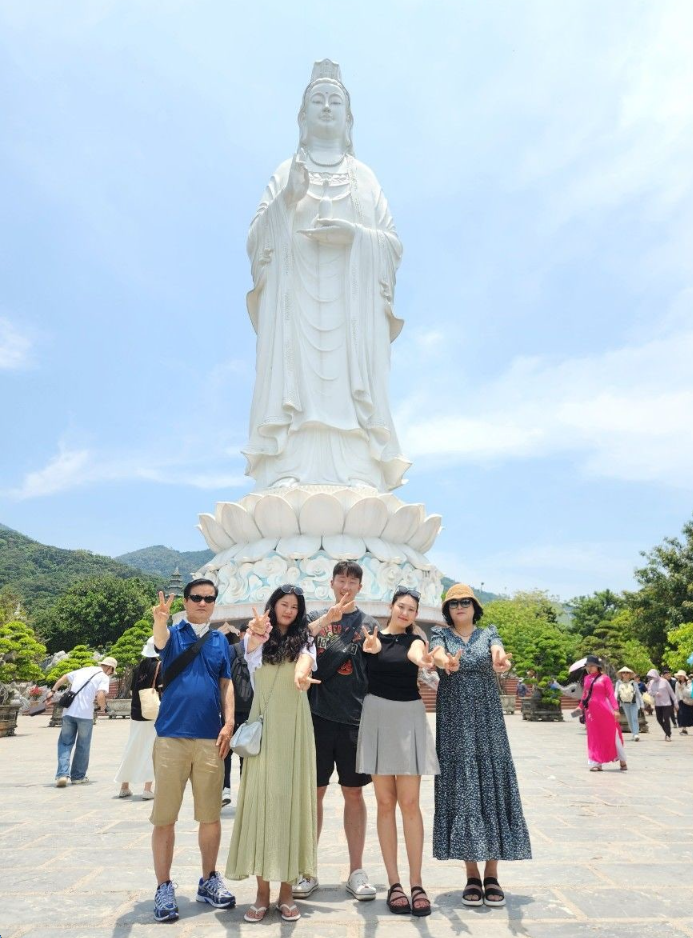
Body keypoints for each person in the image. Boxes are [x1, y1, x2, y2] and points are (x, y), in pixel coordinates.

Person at [241, 59, 409, 492]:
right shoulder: (285, 173)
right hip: (295, 304)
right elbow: (255, 242)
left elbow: (391, 244)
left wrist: (355, 237)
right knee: (295, 380)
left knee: (350, 385)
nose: (327, 107)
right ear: (303, 116)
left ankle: (359, 469)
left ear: (349, 118)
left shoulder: (365, 179)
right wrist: (287, 200)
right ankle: (287, 468)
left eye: (336, 101)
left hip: (352, 311)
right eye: (318, 100)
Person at [429, 584, 531, 909]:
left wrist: (501, 660)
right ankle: (471, 873)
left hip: (488, 726)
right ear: (448, 610)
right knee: (463, 791)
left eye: (465, 602)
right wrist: (447, 662)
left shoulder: (489, 634)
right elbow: (437, 655)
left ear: (474, 606)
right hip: (455, 729)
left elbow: (498, 653)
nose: (459, 606)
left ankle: (492, 873)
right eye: (454, 603)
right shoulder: (440, 636)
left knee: (491, 787)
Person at [225, 585, 318, 923]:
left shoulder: (305, 641)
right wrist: (256, 633)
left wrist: (301, 674)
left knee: (291, 803)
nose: (289, 610)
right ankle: (262, 893)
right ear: (273, 606)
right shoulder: (257, 638)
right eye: (284, 604)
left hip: (294, 727)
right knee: (262, 805)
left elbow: (305, 663)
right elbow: (248, 652)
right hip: (263, 729)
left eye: (294, 606)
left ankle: (287, 892)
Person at [149, 580, 235, 923]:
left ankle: (209, 878)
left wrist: (229, 723)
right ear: (185, 601)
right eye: (196, 598)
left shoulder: (219, 641)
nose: (202, 603)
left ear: (215, 603)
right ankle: (164, 886)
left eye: (209, 598)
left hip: (209, 738)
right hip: (171, 735)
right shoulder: (174, 634)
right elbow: (160, 641)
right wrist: (160, 620)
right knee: (165, 816)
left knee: (210, 815)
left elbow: (226, 683)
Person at [293, 560, 378, 903]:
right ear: (331, 583)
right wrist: (327, 619)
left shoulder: (368, 624)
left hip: (355, 719)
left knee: (354, 793)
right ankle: (306, 868)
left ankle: (356, 870)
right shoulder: (315, 617)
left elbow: (376, 668)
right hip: (315, 717)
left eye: (352, 581)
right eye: (340, 579)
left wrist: (377, 650)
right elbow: (296, 643)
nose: (345, 586)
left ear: (360, 586)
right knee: (313, 793)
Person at [356, 588, 438, 916]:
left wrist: (426, 660)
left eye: (411, 609)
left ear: (416, 615)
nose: (405, 612)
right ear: (391, 607)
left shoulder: (413, 641)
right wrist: (370, 647)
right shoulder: (373, 637)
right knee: (385, 803)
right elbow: (369, 648)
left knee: (410, 804)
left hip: (407, 718)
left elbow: (418, 655)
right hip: (376, 715)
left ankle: (417, 882)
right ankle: (394, 883)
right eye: (401, 606)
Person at [49, 656, 117, 787]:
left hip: (68, 713)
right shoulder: (103, 676)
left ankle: (62, 774)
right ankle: (78, 777)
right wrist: (103, 707)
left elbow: (64, 677)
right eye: (112, 672)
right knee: (83, 745)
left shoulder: (83, 670)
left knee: (65, 743)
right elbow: (100, 695)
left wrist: (52, 691)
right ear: (110, 668)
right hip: (85, 715)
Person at [115, 638, 162, 799]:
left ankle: (124, 786)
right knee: (151, 748)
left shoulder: (138, 668)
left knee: (133, 746)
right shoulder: (159, 666)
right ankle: (147, 788)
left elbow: (133, 689)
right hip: (153, 712)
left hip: (136, 711)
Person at [220, 624, 253, 807]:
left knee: (237, 754)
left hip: (237, 711)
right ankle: (230, 790)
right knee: (236, 753)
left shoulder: (235, 650)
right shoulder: (235, 650)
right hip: (237, 712)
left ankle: (231, 790)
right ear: (240, 634)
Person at [581, 655, 627, 771]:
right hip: (591, 712)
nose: (589, 668)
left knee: (613, 735)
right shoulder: (586, 679)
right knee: (594, 736)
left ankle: (622, 759)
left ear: (597, 667)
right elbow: (585, 695)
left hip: (605, 710)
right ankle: (596, 762)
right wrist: (579, 707)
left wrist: (616, 709)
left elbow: (611, 694)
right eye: (588, 666)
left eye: (592, 666)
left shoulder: (605, 678)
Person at [646, 668, 678, 741]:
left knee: (666, 718)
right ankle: (667, 731)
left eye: (653, 676)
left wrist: (675, 702)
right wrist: (656, 693)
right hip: (658, 704)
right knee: (659, 719)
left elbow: (671, 692)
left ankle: (668, 734)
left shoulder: (664, 681)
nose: (652, 678)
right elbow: (649, 691)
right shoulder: (651, 683)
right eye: (651, 677)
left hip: (667, 703)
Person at [614, 666, 644, 741]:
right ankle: (633, 733)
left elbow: (638, 694)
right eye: (624, 673)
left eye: (627, 673)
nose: (625, 674)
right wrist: (614, 704)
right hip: (624, 703)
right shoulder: (618, 683)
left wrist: (642, 705)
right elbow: (616, 693)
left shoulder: (633, 683)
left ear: (630, 674)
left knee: (634, 719)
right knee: (629, 719)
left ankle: (636, 734)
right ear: (621, 674)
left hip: (633, 703)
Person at [674, 671, 693, 736]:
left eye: (681, 676)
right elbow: (676, 693)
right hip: (681, 701)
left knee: (692, 716)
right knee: (682, 715)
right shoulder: (677, 683)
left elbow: (690, 693)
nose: (680, 677)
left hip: (689, 701)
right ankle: (684, 730)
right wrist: (676, 702)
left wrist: (683, 688)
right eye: (679, 676)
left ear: (684, 676)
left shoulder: (689, 683)